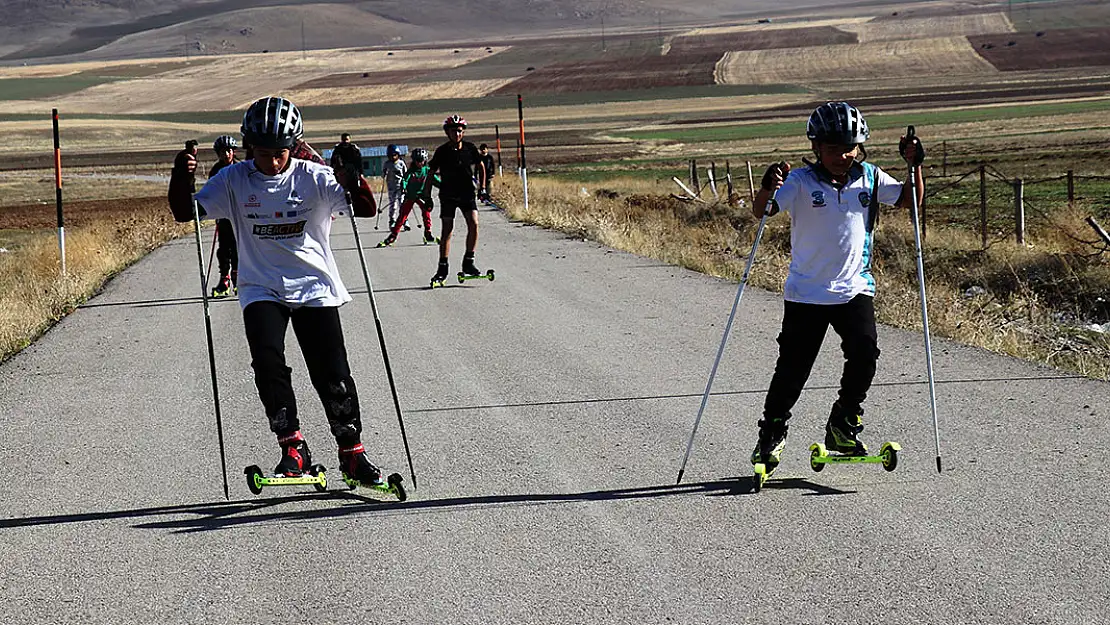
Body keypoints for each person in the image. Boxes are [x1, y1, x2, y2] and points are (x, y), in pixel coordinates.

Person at [166, 96, 388, 487]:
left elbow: (365, 209)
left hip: (315, 287)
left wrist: (353, 176)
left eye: (281, 154)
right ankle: (293, 447)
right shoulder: (234, 179)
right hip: (261, 287)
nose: (272, 162)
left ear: (294, 147)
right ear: (250, 148)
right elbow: (187, 213)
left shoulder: (312, 177)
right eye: (264, 154)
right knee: (268, 364)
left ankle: (352, 452)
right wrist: (179, 177)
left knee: (332, 374)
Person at [749, 101, 924, 473]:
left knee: (865, 355)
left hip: (854, 288)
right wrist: (767, 188)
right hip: (806, 293)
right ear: (816, 149)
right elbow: (762, 211)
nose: (842, 155)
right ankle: (772, 432)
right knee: (793, 369)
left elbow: (912, 200)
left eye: (849, 147)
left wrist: (916, 166)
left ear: (860, 147)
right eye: (832, 149)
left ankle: (843, 424)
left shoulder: (871, 178)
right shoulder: (798, 181)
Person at [425, 115, 487, 285]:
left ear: (463, 132)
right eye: (454, 131)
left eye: (460, 131)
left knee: (473, 223)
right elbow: (430, 174)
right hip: (448, 194)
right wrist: (426, 195)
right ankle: (442, 269)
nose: (457, 134)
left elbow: (481, 166)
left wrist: (482, 188)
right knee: (447, 230)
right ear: (447, 133)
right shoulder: (442, 151)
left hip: (467, 193)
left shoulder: (470, 148)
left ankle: (468, 261)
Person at [377, 148, 438, 247]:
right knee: (403, 215)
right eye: (417, 161)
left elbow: (436, 181)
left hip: (422, 196)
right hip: (410, 196)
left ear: (425, 160)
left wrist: (445, 187)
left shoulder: (427, 171)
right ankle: (393, 236)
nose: (419, 163)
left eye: (421, 160)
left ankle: (428, 233)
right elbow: (405, 179)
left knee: (426, 213)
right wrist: (404, 188)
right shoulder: (411, 171)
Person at [209, 135, 240, 297]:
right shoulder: (215, 171)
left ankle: (238, 278)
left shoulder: (241, 168)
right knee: (223, 249)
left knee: (238, 248)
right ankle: (224, 279)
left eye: (229, 150)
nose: (226, 154)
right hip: (223, 216)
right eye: (223, 151)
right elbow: (211, 193)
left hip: (240, 216)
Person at [382, 144, 407, 231]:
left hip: (401, 186)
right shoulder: (387, 164)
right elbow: (383, 174)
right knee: (393, 205)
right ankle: (392, 220)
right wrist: (384, 173)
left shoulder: (401, 163)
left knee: (402, 203)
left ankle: (404, 220)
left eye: (394, 155)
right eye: (390, 156)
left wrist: (406, 185)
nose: (393, 157)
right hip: (391, 187)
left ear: (398, 154)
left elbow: (406, 175)